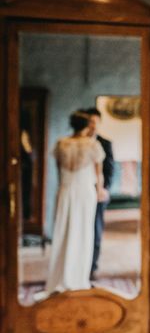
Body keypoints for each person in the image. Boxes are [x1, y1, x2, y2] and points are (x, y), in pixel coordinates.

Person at [42, 110, 107, 296]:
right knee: (83, 232)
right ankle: (78, 278)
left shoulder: (61, 144)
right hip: (85, 192)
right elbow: (98, 174)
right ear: (87, 126)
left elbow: (59, 172)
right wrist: (99, 190)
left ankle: (60, 277)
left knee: (63, 231)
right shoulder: (92, 145)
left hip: (66, 189)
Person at [83, 107, 114, 281]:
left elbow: (109, 169)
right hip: (81, 193)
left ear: (99, 123)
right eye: (90, 122)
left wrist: (104, 189)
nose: (92, 126)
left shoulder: (105, 143)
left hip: (98, 194)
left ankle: (92, 268)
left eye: (95, 122)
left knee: (96, 230)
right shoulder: (77, 143)